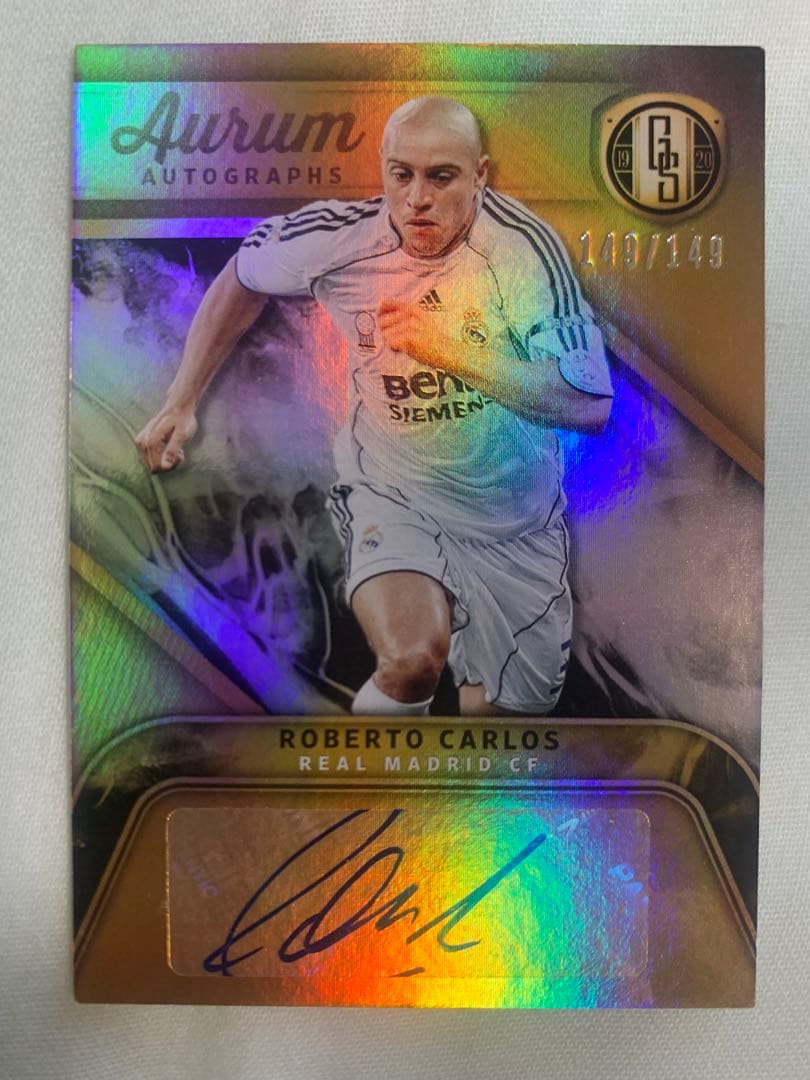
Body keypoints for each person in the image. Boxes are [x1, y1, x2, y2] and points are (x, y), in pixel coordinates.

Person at [135, 96, 613, 717]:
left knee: (493, 732)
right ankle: (363, 775)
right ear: (383, 169)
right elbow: (243, 275)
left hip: (518, 527)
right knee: (412, 662)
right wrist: (181, 399)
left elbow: (588, 404)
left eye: (441, 177)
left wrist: (455, 354)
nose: (417, 199)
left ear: (480, 176)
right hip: (393, 492)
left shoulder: (522, 250)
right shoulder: (338, 238)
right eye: (402, 174)